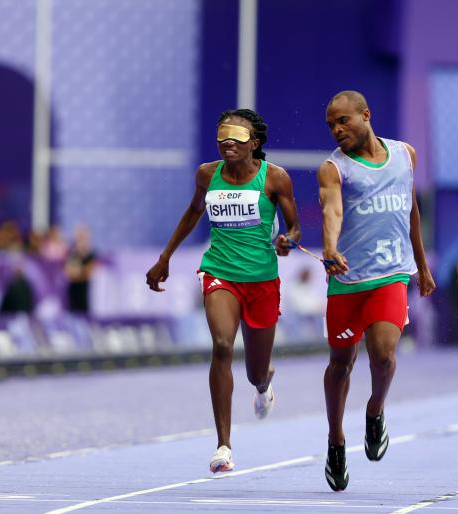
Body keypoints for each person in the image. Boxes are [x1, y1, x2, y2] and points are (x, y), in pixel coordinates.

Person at [146, 109, 301, 473]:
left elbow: (295, 229)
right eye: (222, 136)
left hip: (262, 280)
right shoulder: (206, 174)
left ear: (255, 144)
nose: (228, 141)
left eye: (237, 136)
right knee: (221, 345)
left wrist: (287, 242)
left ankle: (264, 384)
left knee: (255, 371)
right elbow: (192, 212)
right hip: (220, 272)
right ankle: (224, 446)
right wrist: (165, 257)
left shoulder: (275, 178)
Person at [318, 90, 436, 491]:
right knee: (340, 366)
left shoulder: (406, 155)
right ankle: (336, 439)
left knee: (384, 355)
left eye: (343, 121)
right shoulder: (334, 169)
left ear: (365, 115)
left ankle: (375, 411)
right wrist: (330, 247)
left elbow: (411, 208)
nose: (337, 130)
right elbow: (332, 209)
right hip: (348, 281)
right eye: (331, 124)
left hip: (391, 276)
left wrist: (421, 266)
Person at [65, 225, 96, 313]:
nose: (81, 238)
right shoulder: (73, 253)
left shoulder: (91, 254)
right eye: (79, 236)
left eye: (83, 236)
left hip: (85, 290)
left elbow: (88, 273)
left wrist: (79, 272)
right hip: (74, 290)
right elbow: (70, 274)